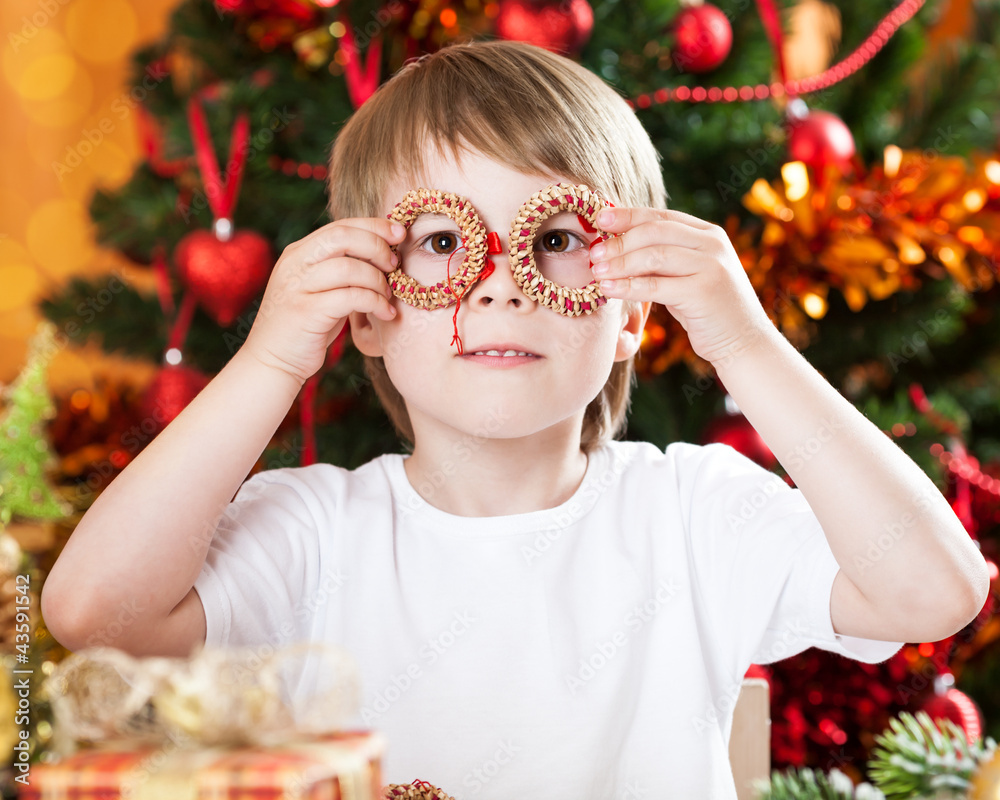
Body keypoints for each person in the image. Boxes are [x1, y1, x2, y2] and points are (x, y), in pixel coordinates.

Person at [42, 39, 989, 799]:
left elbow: (934, 592)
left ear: (629, 312)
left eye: (558, 240)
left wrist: (743, 340)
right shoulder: (311, 534)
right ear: (369, 310)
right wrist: (272, 358)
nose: (499, 283)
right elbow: (92, 612)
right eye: (447, 242)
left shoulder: (694, 514)